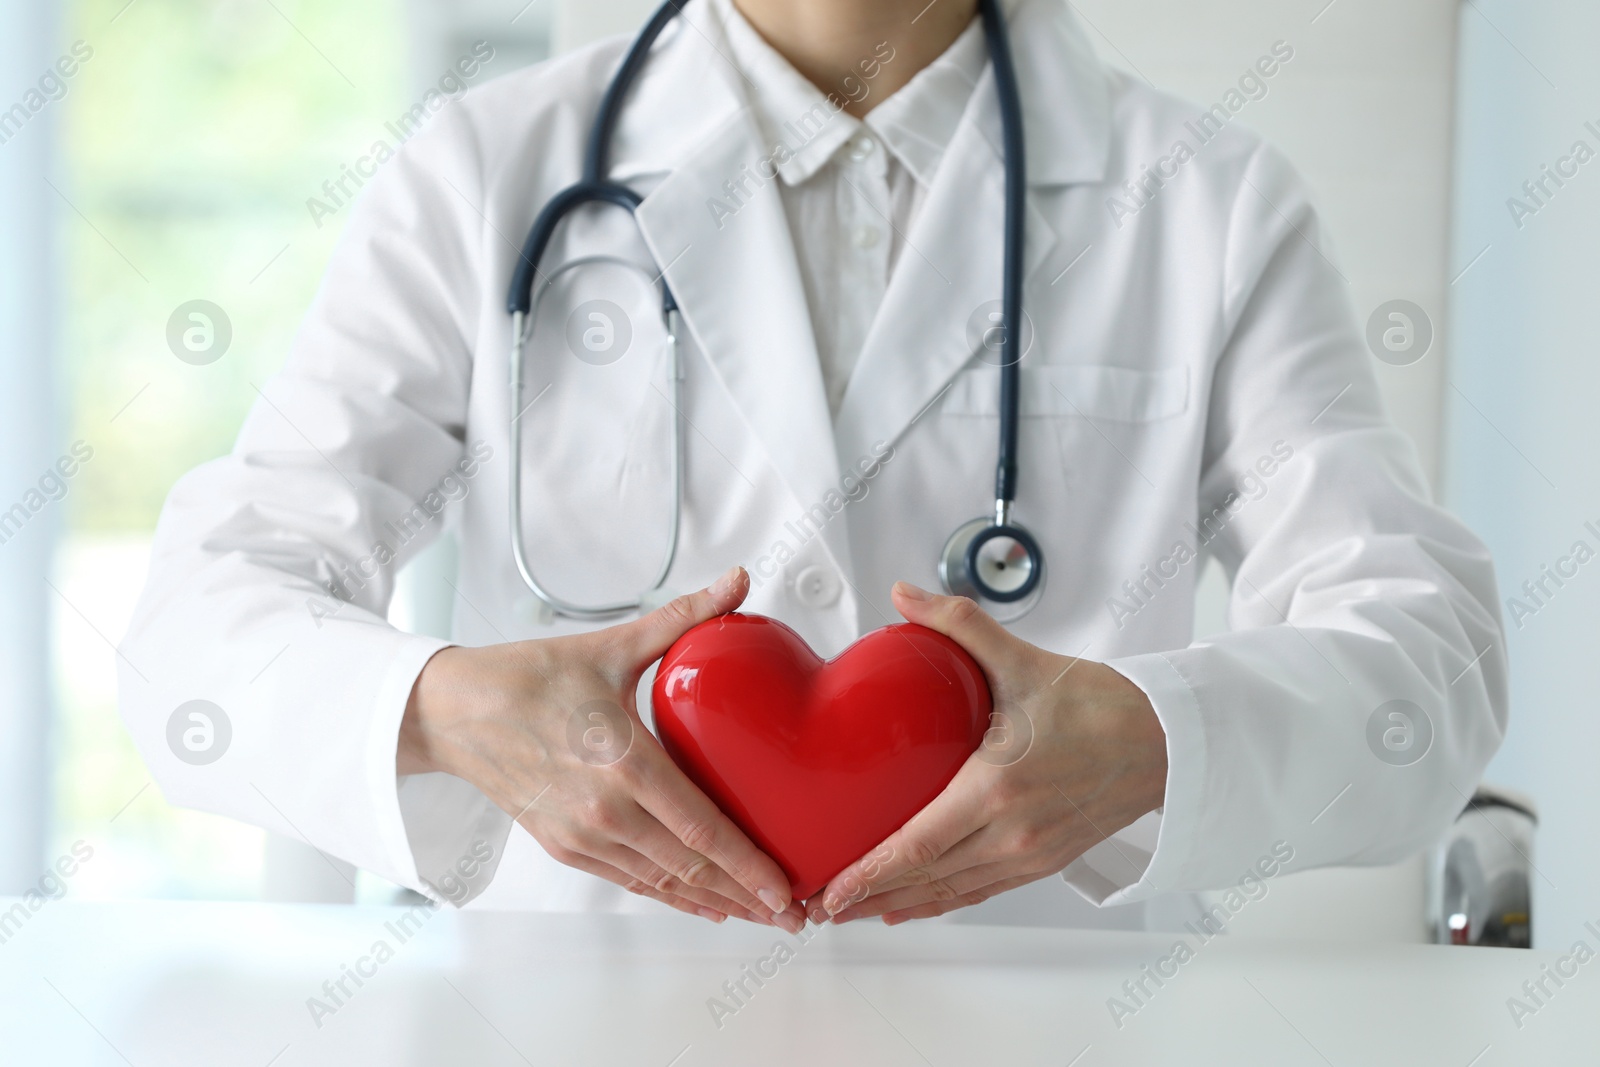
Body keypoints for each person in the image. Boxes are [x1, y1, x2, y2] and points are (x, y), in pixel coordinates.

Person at [119, 0, 1506, 933]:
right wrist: (442, 707)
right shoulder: (484, 175)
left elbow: (1430, 662)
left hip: (1051, 1028)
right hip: (577, 1024)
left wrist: (1153, 740)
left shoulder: (1206, 199)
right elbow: (193, 630)